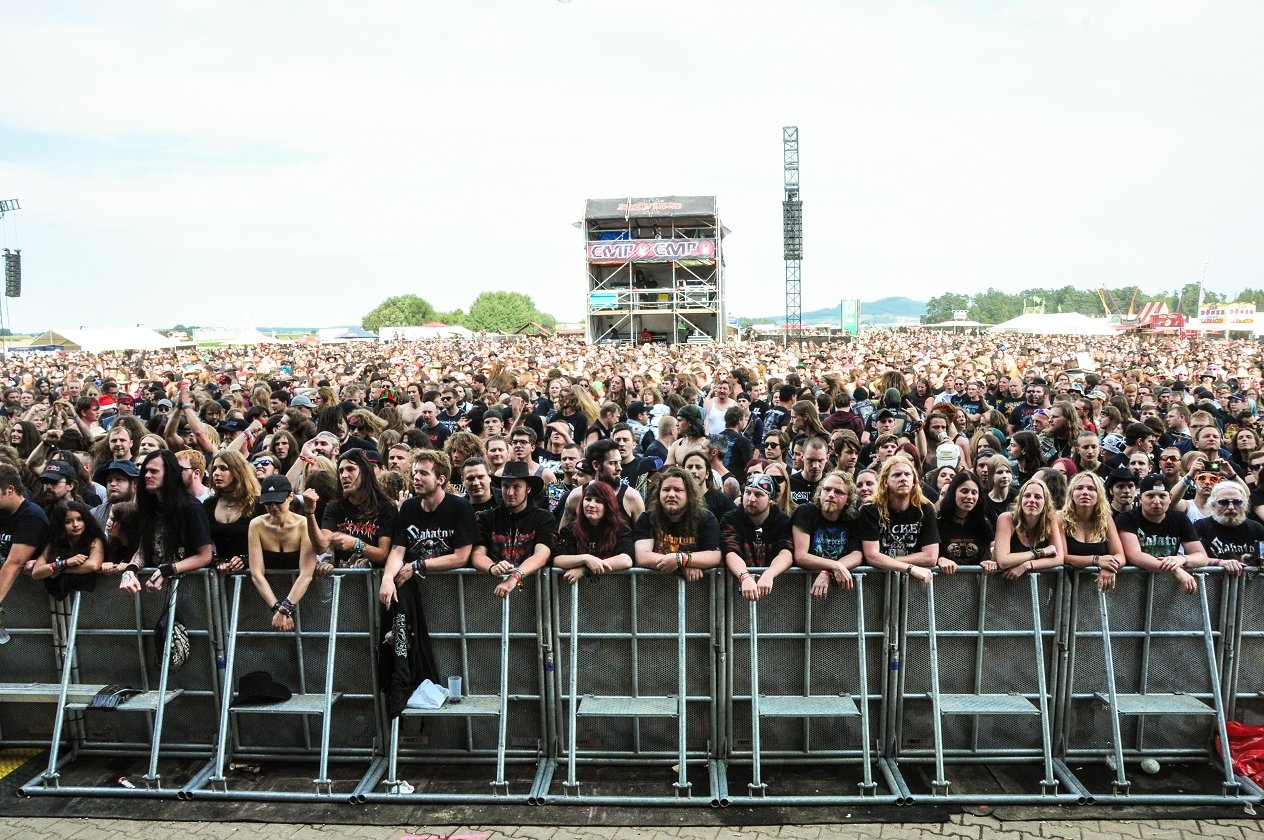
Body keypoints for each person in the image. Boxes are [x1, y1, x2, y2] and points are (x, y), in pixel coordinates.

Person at [120, 450, 214, 594]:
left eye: (154, 471)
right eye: (145, 471)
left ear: (169, 473)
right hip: (157, 592)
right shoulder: (148, 508)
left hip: (191, 590)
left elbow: (205, 556)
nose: (147, 475)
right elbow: (143, 550)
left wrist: (168, 570)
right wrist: (130, 571)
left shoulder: (191, 508)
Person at [471, 460, 558, 598]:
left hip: (533, 594)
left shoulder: (544, 518)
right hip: (491, 591)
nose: (510, 492)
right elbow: (477, 554)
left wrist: (514, 578)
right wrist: (492, 567)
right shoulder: (487, 517)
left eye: (516, 487)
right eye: (505, 486)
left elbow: (541, 555)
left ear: (528, 489)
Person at [1116, 474, 1210, 595]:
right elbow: (1134, 555)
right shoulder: (1127, 518)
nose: (1156, 501)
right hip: (1132, 587)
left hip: (1166, 587)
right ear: (1140, 498)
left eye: (1162, 496)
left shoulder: (1179, 518)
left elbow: (1202, 556)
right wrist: (1174, 569)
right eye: (1150, 496)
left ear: (1170, 498)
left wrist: (1182, 559)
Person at [247, 475, 318, 632]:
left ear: (290, 496)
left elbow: (306, 573)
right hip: (268, 600)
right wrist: (276, 608)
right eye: (268, 502)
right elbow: (257, 573)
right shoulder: (256, 525)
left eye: (278, 501)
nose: (273, 507)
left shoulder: (303, 524)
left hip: (304, 597)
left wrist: (285, 609)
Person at [859, 454, 943, 583]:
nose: (903, 478)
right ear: (885, 482)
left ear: (914, 480)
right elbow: (872, 556)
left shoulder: (925, 509)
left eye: (907, 474)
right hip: (877, 582)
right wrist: (909, 568)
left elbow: (930, 556)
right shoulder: (871, 509)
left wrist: (888, 561)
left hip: (913, 583)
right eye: (897, 475)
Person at [633, 465, 722, 582]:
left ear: (689, 494)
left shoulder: (706, 518)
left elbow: (714, 556)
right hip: (654, 593)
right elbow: (642, 556)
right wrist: (681, 565)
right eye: (666, 489)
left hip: (696, 594)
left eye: (678, 490)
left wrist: (681, 560)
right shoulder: (647, 518)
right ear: (658, 493)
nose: (671, 494)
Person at [315, 449, 396, 569]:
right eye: (341, 471)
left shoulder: (385, 507)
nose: (344, 475)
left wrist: (355, 544)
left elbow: (383, 554)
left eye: (350, 469)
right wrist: (310, 512)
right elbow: (322, 546)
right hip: (345, 580)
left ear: (365, 472)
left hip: (374, 582)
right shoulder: (334, 507)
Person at [791, 470, 864, 599]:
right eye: (827, 489)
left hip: (839, 593)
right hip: (802, 589)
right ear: (820, 493)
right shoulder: (806, 512)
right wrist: (834, 565)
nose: (831, 495)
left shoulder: (853, 518)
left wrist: (827, 571)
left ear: (848, 500)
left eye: (839, 492)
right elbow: (801, 556)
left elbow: (857, 555)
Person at [722, 473, 794, 601]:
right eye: (747, 492)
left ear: (770, 499)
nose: (751, 499)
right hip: (738, 592)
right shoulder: (731, 518)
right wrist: (744, 576)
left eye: (758, 494)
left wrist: (769, 573)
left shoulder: (782, 520)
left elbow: (786, 552)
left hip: (776, 592)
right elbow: (730, 551)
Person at [553, 480, 635, 584]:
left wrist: (585, 570)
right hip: (578, 593)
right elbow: (557, 559)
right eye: (588, 499)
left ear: (608, 506)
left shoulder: (620, 528)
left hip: (613, 591)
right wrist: (586, 559)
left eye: (598, 501)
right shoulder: (571, 529)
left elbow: (626, 559)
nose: (591, 505)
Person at [1061, 472, 1126, 592]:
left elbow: (1120, 555)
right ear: (1071, 493)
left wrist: (1110, 567)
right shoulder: (1060, 519)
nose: (1085, 492)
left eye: (1091, 488)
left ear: (1099, 495)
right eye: (1079, 488)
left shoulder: (1105, 518)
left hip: (1096, 591)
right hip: (1064, 590)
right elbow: (1063, 557)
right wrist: (1097, 560)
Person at [29, 500, 103, 600]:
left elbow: (93, 565)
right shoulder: (54, 543)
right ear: (60, 524)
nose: (75, 524)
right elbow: (36, 572)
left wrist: (61, 569)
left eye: (79, 519)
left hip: (92, 599)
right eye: (68, 521)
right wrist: (65, 562)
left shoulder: (94, 540)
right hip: (59, 603)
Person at [993, 478, 1066, 579]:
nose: (1032, 500)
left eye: (1038, 497)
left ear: (1045, 503)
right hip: (1003, 585)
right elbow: (1003, 561)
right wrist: (1041, 552)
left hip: (1036, 588)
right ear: (1020, 500)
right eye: (1027, 496)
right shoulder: (1007, 519)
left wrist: (1027, 565)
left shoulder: (1050, 520)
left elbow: (1059, 558)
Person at [205, 450, 261, 574]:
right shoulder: (209, 505)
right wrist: (216, 560)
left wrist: (246, 559)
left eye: (223, 468)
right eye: (214, 469)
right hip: (220, 576)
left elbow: (268, 542)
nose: (216, 473)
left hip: (251, 575)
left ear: (238, 472)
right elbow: (202, 542)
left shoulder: (257, 504)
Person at [1194, 481, 1264, 576]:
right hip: (1211, 587)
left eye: (1237, 502)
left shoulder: (1256, 528)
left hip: (1248, 588)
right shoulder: (1201, 526)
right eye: (1223, 502)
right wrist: (1220, 562)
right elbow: (1193, 557)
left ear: (1245, 505)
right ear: (1213, 505)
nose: (1231, 507)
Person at [937, 470, 994, 569]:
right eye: (964, 491)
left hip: (974, 583)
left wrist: (989, 562)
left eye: (974, 492)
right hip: (943, 582)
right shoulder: (937, 523)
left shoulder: (983, 525)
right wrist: (939, 560)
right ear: (953, 492)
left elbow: (987, 556)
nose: (970, 497)